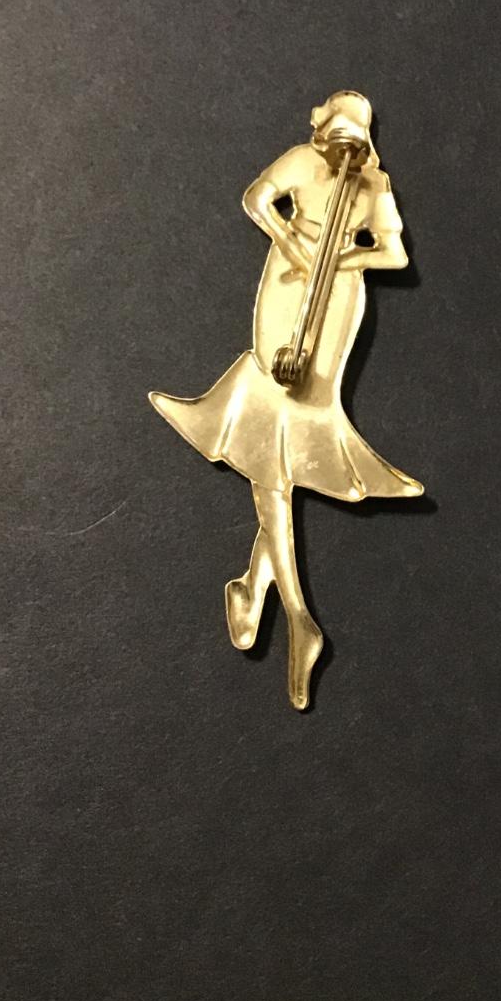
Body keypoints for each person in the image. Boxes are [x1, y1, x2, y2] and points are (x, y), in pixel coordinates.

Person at [149, 91, 423, 709]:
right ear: (322, 129)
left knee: (280, 438)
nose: (342, 146)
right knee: (272, 433)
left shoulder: (373, 185)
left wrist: (341, 256)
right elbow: (256, 199)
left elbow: (394, 252)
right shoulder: (301, 160)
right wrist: (293, 241)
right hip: (286, 281)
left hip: (337, 297)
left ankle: (292, 613)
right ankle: (264, 597)